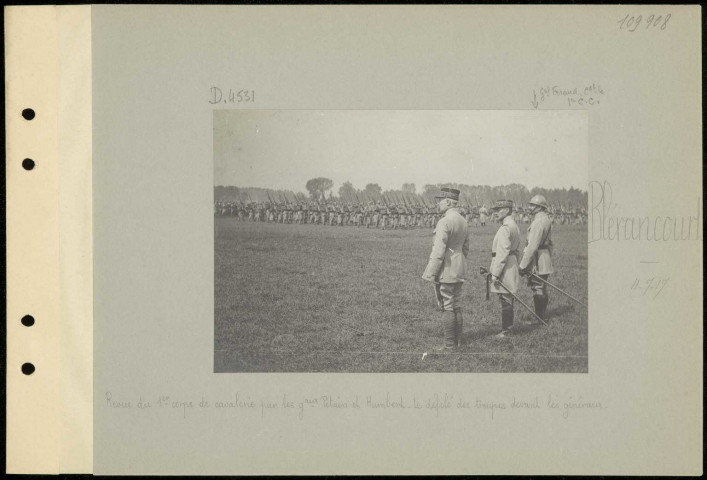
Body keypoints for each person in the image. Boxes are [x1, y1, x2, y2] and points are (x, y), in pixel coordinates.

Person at [421, 188, 470, 350]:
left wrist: (431, 273)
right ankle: (458, 341)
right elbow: (466, 248)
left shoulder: (444, 221)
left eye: (440, 200)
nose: (438, 203)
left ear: (448, 202)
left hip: (446, 267)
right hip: (459, 266)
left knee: (447, 305)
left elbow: (438, 250)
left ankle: (449, 345)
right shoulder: (463, 220)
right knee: (456, 303)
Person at [488, 200, 521, 338]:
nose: (495, 213)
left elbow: (502, 253)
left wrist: (495, 273)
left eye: (498, 209)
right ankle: (508, 329)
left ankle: (507, 331)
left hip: (505, 265)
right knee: (507, 297)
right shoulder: (513, 225)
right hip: (511, 262)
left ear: (507, 210)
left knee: (505, 299)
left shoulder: (506, 227)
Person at [519, 194, 554, 322]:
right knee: (542, 287)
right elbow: (550, 243)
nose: (529, 207)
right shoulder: (546, 219)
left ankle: (539, 318)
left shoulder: (538, 222)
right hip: (544, 256)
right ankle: (542, 316)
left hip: (537, 258)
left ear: (539, 207)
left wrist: (522, 265)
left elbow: (532, 246)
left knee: (537, 287)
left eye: (532, 205)